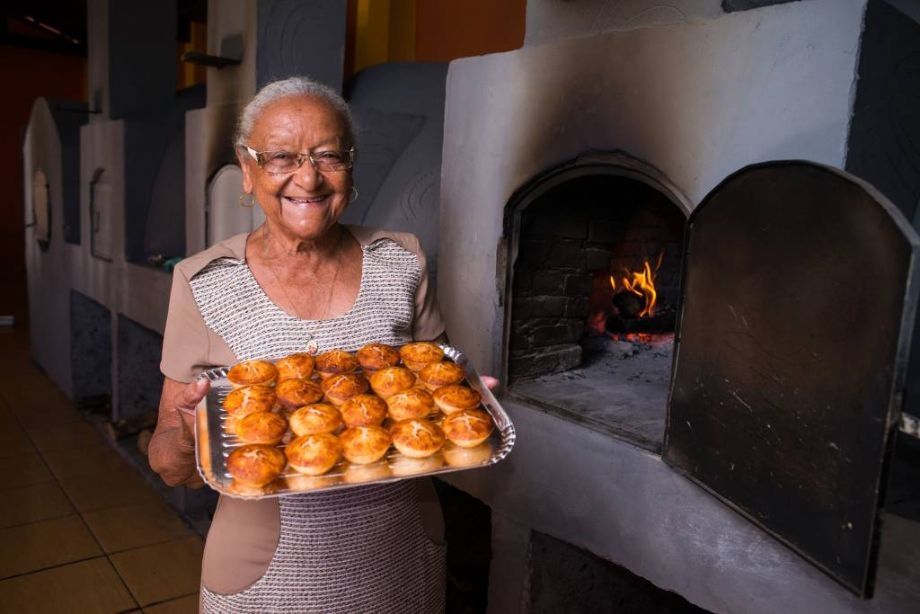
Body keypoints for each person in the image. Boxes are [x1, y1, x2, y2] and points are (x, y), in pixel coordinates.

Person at [148, 76, 450, 613]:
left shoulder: (402, 262)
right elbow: (167, 465)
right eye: (281, 157)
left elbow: (438, 392)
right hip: (266, 574)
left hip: (399, 553)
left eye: (328, 156)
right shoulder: (203, 282)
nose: (307, 178)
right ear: (247, 169)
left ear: (351, 169)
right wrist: (188, 437)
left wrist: (469, 396)